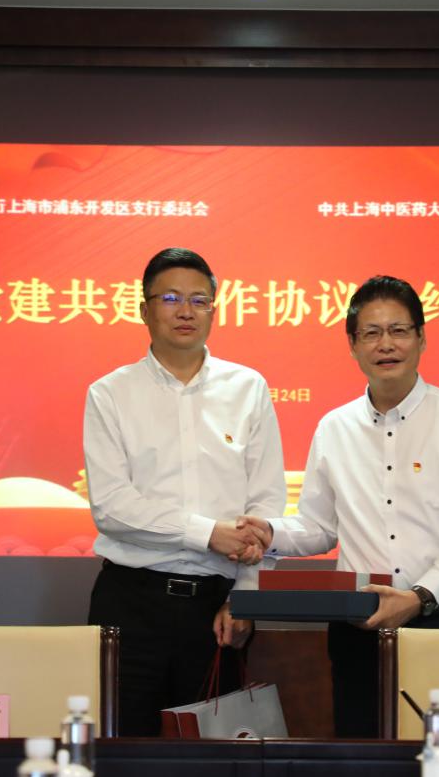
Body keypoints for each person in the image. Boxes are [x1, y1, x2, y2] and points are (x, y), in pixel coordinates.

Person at [237, 275, 439, 737]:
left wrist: (420, 596)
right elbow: (320, 527)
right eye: (372, 333)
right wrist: (270, 533)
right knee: (363, 757)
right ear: (353, 344)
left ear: (421, 338)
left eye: (399, 331)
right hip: (360, 625)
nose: (386, 344)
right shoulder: (334, 427)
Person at [84, 247, 287, 736]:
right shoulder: (110, 393)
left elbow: (266, 505)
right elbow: (113, 508)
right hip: (131, 603)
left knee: (210, 758)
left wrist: (247, 598)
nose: (186, 311)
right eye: (171, 298)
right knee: (122, 751)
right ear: (144, 309)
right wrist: (207, 533)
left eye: (200, 300)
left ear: (214, 310)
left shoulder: (248, 388)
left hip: (216, 611)